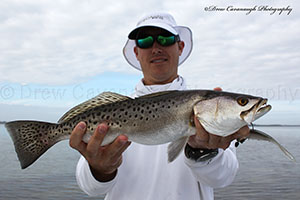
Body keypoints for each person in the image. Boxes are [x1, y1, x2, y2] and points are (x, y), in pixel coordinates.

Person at [69, 12, 250, 200]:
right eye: (145, 41)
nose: (156, 48)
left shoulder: (211, 115)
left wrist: (202, 153)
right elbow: (90, 188)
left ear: (180, 46)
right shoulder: (115, 111)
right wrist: (99, 169)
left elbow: (223, 178)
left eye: (165, 39)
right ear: (136, 52)